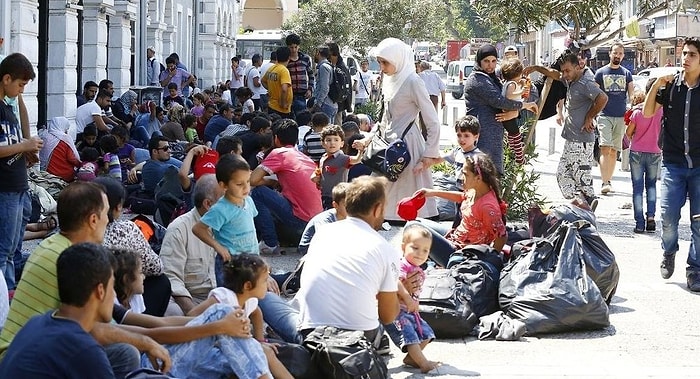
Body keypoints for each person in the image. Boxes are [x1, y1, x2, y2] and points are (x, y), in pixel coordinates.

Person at [0, 181, 169, 377]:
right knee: (126, 352)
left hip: (27, 350)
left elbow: (118, 320)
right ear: (93, 220)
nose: (110, 220)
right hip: (26, 354)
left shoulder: (58, 246)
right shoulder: (68, 259)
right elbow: (98, 332)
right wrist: (146, 341)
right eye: (106, 214)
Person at [259, 176, 402, 348]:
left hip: (311, 337)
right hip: (360, 339)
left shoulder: (323, 232)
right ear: (377, 209)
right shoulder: (385, 249)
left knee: (262, 297)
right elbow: (388, 316)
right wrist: (400, 294)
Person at [0, 243, 122, 378]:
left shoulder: (36, 323)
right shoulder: (85, 351)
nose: (114, 295)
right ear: (100, 291)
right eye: (112, 286)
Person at [354, 38, 442, 222]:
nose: (382, 67)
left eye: (385, 62)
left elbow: (432, 119)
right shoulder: (390, 81)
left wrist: (429, 154)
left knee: (410, 200)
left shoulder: (413, 81)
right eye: (379, 62)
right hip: (387, 147)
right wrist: (368, 139)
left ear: (398, 59)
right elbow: (385, 118)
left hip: (408, 147)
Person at [642, 37, 700, 291]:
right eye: (684, 53)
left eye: (692, 55)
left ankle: (695, 269)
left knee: (699, 222)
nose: (685, 58)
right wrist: (656, 84)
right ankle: (669, 251)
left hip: (699, 165)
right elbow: (646, 112)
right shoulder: (670, 85)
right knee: (667, 217)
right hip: (673, 163)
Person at [186, 254, 292, 379]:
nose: (267, 285)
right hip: (207, 350)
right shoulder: (223, 298)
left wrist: (260, 341)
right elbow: (191, 316)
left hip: (230, 348)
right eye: (264, 281)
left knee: (266, 352)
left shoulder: (249, 300)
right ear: (247, 286)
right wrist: (213, 328)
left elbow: (257, 314)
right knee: (263, 355)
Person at [527, 52, 608, 209]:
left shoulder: (585, 83)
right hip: (571, 139)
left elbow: (602, 98)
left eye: (568, 71)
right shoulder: (570, 81)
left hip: (582, 140)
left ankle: (588, 203)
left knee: (581, 176)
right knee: (563, 175)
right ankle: (584, 202)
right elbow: (555, 74)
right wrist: (536, 68)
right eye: (564, 71)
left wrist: (589, 117)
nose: (565, 74)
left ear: (578, 67)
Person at [410, 152, 507, 267]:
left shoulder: (487, 206)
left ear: (478, 178)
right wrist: (431, 192)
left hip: (460, 253)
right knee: (417, 222)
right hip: (455, 237)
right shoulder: (476, 190)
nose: (461, 177)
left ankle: (416, 265)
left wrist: (488, 261)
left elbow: (502, 236)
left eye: (465, 174)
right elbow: (462, 197)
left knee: (412, 227)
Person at [97, 177, 170, 316]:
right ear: (118, 207)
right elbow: (156, 267)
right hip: (110, 297)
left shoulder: (80, 230)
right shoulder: (126, 229)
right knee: (161, 282)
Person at [0, 52, 43, 290]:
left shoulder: (8, 107)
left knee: (13, 247)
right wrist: (24, 145)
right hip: (5, 188)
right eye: (21, 85)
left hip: (18, 185)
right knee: (4, 250)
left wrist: (26, 150)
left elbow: (10, 143)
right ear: (6, 78)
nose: (22, 91)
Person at [250, 119, 322, 255]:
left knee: (258, 193)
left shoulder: (279, 153)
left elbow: (253, 180)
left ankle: (270, 243)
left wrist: (271, 182)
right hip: (314, 220)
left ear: (276, 138)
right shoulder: (303, 157)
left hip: (301, 221)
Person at [463, 44, 536, 174]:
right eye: (486, 61)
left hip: (493, 137)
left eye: (493, 61)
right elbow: (500, 102)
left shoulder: (491, 78)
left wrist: (514, 112)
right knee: (482, 178)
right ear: (479, 61)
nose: (490, 65)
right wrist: (525, 106)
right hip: (482, 137)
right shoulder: (477, 80)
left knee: (492, 179)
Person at [192, 155, 259, 286]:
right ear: (224, 185)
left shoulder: (249, 201)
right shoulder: (220, 209)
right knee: (229, 300)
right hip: (230, 264)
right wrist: (218, 247)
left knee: (249, 297)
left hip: (251, 259)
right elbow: (198, 229)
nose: (246, 188)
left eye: (248, 181)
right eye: (239, 184)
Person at [160, 174, 221, 316]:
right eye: (225, 200)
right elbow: (171, 277)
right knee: (172, 312)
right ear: (208, 204)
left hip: (223, 296)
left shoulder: (232, 223)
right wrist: (194, 314)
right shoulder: (179, 229)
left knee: (265, 295)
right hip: (193, 298)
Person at [385, 224, 438, 373]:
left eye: (425, 250)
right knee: (410, 337)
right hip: (397, 310)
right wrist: (407, 298)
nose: (420, 254)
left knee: (426, 334)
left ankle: (411, 358)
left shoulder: (416, 268)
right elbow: (395, 282)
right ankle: (423, 364)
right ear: (403, 247)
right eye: (415, 248)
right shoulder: (402, 265)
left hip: (409, 310)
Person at [595, 42, 634, 195]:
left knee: (613, 151)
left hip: (620, 116)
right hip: (604, 115)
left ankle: (608, 180)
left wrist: (634, 109)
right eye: (615, 53)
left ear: (623, 56)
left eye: (620, 53)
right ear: (610, 54)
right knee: (605, 147)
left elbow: (631, 94)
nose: (617, 55)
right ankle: (605, 181)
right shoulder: (600, 73)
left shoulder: (626, 74)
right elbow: (595, 95)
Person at [627, 81, 662, 234]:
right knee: (652, 186)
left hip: (637, 152)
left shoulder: (638, 112)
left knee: (637, 188)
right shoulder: (663, 111)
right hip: (655, 151)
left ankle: (639, 223)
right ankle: (651, 218)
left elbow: (628, 133)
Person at [310, 124, 363, 209]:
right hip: (324, 195)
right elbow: (319, 171)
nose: (332, 143)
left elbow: (356, 160)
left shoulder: (342, 158)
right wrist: (316, 175)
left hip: (338, 197)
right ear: (323, 143)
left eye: (336, 140)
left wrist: (360, 151)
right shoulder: (323, 158)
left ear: (342, 143)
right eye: (328, 140)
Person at [297, 182, 349, 255]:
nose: (350, 208)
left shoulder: (352, 217)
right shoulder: (325, 219)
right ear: (335, 205)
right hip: (310, 247)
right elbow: (323, 238)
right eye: (346, 205)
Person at [500, 58, 535, 165]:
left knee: (513, 134)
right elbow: (509, 95)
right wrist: (521, 91)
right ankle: (519, 157)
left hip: (511, 112)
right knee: (516, 135)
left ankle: (513, 153)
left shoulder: (509, 83)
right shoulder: (511, 84)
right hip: (509, 112)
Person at [39, 116, 81, 183]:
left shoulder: (44, 137)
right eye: (66, 129)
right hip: (65, 175)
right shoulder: (65, 139)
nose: (66, 131)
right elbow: (72, 158)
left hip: (47, 173)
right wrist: (80, 164)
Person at [285, 33, 315, 117]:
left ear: (299, 46)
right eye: (291, 47)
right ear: (288, 47)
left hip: (302, 95)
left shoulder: (305, 58)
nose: (294, 50)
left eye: (295, 47)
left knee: (302, 119)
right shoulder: (285, 60)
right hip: (289, 95)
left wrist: (310, 89)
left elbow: (311, 75)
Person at [112, 248, 146, 313]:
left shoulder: (136, 295)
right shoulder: (113, 303)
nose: (144, 277)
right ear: (127, 279)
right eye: (140, 272)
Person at [262, 46, 293, 118]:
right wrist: (283, 103)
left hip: (272, 105)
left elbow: (263, 81)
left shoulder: (272, 68)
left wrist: (270, 89)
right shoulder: (284, 70)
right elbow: (284, 89)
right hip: (281, 109)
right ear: (289, 58)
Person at [312, 46, 337, 121]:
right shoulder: (329, 66)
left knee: (324, 131)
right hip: (330, 104)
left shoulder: (324, 67)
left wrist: (318, 104)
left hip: (326, 105)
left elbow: (324, 88)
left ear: (318, 53)